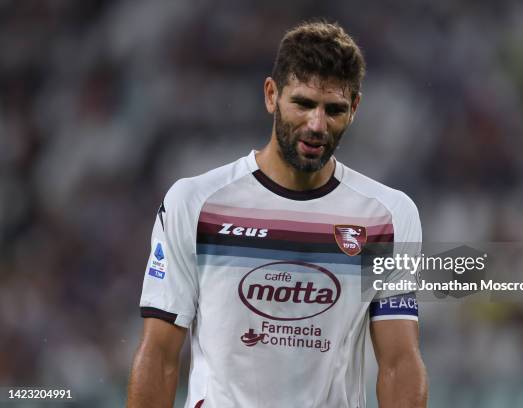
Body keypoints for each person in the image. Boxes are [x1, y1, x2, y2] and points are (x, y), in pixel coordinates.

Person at [127, 20, 427, 408]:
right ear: (272, 95)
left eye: (333, 109)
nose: (316, 124)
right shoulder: (194, 202)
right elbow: (160, 356)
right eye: (303, 103)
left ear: (354, 108)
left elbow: (399, 364)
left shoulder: (389, 215)